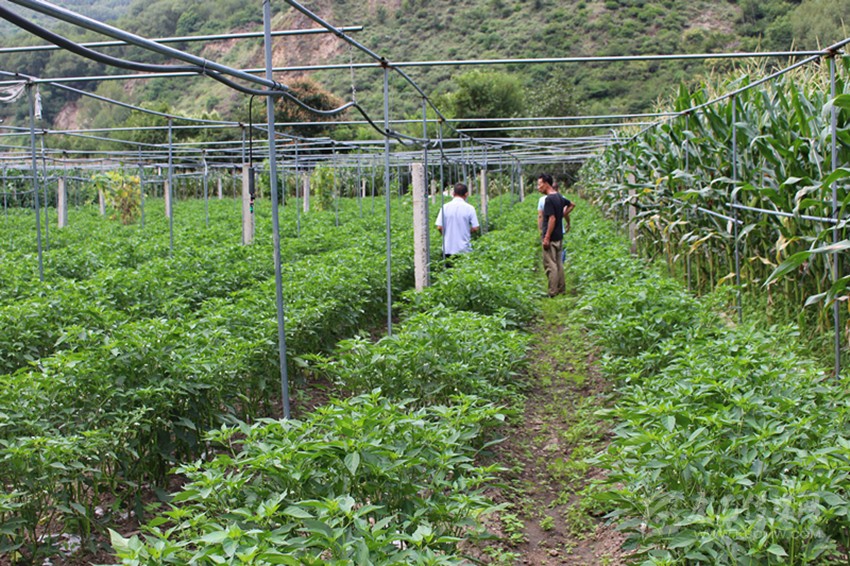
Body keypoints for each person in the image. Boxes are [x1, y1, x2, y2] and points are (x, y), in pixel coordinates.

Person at [537, 173, 574, 297]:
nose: (538, 187)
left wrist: (546, 237)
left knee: (550, 264)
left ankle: (553, 291)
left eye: (540, 184)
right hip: (559, 235)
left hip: (551, 237)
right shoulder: (559, 196)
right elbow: (572, 204)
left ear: (546, 184)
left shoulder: (548, 199)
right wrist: (563, 215)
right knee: (559, 263)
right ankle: (561, 289)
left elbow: (551, 219)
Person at [436, 182, 480, 264]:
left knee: (449, 270)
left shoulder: (445, 207)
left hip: (448, 248)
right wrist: (466, 231)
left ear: (453, 193)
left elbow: (439, 227)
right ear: (466, 194)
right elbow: (475, 228)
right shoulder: (470, 208)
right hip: (464, 249)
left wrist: (446, 235)